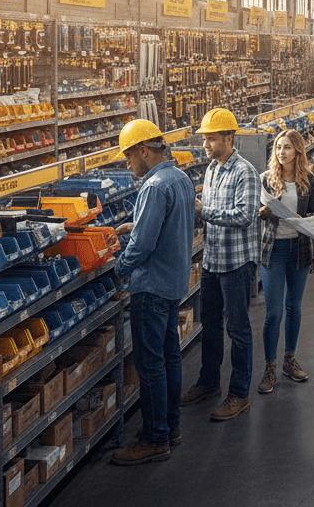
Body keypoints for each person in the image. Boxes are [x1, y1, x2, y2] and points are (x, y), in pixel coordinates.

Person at [111, 119, 195, 465]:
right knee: (170, 356)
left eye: (129, 157)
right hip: (174, 281)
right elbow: (171, 223)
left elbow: (142, 245)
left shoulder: (153, 186)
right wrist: (139, 222)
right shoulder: (181, 179)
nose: (128, 164)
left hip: (151, 286)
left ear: (144, 151)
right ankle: (170, 427)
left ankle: (155, 438)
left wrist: (119, 268)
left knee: (150, 366)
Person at [178, 109, 260, 422]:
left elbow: (245, 216)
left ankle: (239, 394)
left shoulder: (245, 172)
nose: (205, 144)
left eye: (211, 138)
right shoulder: (212, 169)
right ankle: (209, 382)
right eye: (204, 138)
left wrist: (205, 211)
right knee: (209, 326)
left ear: (229, 138)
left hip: (237, 264)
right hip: (212, 260)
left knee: (238, 329)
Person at [256, 128, 314, 394]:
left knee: (294, 307)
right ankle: (269, 366)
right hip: (273, 250)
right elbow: (255, 212)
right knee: (273, 313)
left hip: (300, 249)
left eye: (287, 148)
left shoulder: (309, 180)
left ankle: (289, 359)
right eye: (278, 147)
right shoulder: (266, 179)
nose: (281, 152)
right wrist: (263, 213)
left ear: (298, 151)